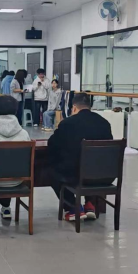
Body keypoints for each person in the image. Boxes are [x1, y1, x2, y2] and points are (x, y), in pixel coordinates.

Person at [47, 93, 113, 222]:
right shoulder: (104, 123)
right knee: (92, 165)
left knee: (52, 173)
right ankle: (90, 204)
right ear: (90, 106)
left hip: (77, 176)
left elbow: (52, 144)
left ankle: (72, 207)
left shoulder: (68, 123)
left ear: (74, 108)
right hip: (105, 176)